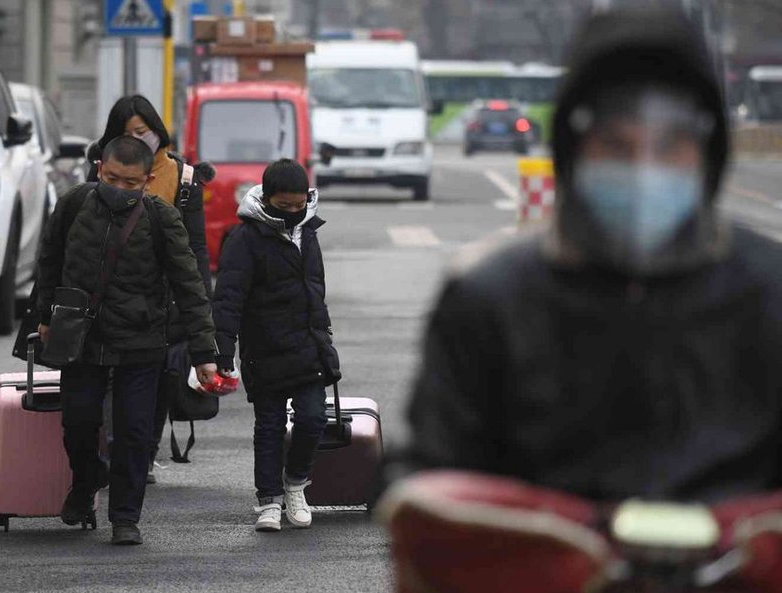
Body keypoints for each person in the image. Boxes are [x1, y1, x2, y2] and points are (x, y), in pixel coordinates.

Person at [386, 7, 782, 505]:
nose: (643, 169)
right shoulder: (490, 302)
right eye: (617, 146)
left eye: (670, 146)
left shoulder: (768, 295)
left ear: (708, 152)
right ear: (575, 150)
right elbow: (436, 493)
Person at [36, 136, 216, 545]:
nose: (119, 188)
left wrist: (205, 354)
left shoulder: (161, 218)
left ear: (148, 181)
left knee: (134, 432)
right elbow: (49, 265)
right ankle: (86, 482)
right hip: (82, 338)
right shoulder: (74, 204)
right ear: (100, 168)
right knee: (77, 422)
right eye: (112, 178)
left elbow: (190, 286)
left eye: (131, 183)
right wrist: (45, 318)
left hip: (142, 340)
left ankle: (125, 517)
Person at [87, 95, 214, 484]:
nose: (138, 141)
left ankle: (142, 455)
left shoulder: (183, 177)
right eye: (128, 135)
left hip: (164, 297)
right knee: (109, 378)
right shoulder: (102, 172)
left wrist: (201, 308)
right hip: (108, 292)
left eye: (144, 132)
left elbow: (195, 247)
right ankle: (109, 452)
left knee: (159, 378)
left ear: (158, 130)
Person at [212, 159, 341, 532]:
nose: (291, 212)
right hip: (263, 347)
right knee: (268, 425)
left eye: (297, 205)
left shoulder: (309, 232)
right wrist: (222, 350)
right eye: (283, 206)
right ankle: (269, 500)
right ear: (266, 199)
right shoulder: (245, 238)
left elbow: (315, 287)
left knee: (314, 418)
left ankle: (296, 484)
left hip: (308, 344)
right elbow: (229, 298)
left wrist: (323, 332)